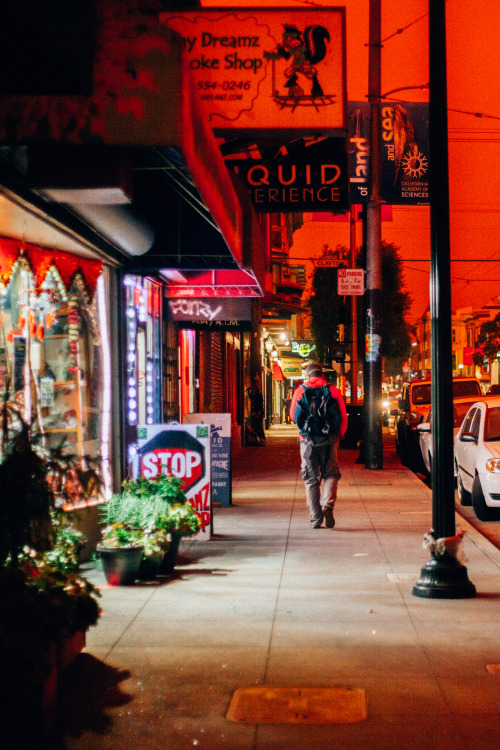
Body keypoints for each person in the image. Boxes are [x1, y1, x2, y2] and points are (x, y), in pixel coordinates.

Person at [289, 362, 348, 529]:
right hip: (329, 439)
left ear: (308, 376)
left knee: (311, 478)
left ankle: (315, 519)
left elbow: (293, 415)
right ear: (322, 375)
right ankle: (327, 506)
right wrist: (339, 434)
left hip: (307, 440)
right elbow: (342, 416)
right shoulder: (333, 391)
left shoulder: (301, 390)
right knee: (330, 474)